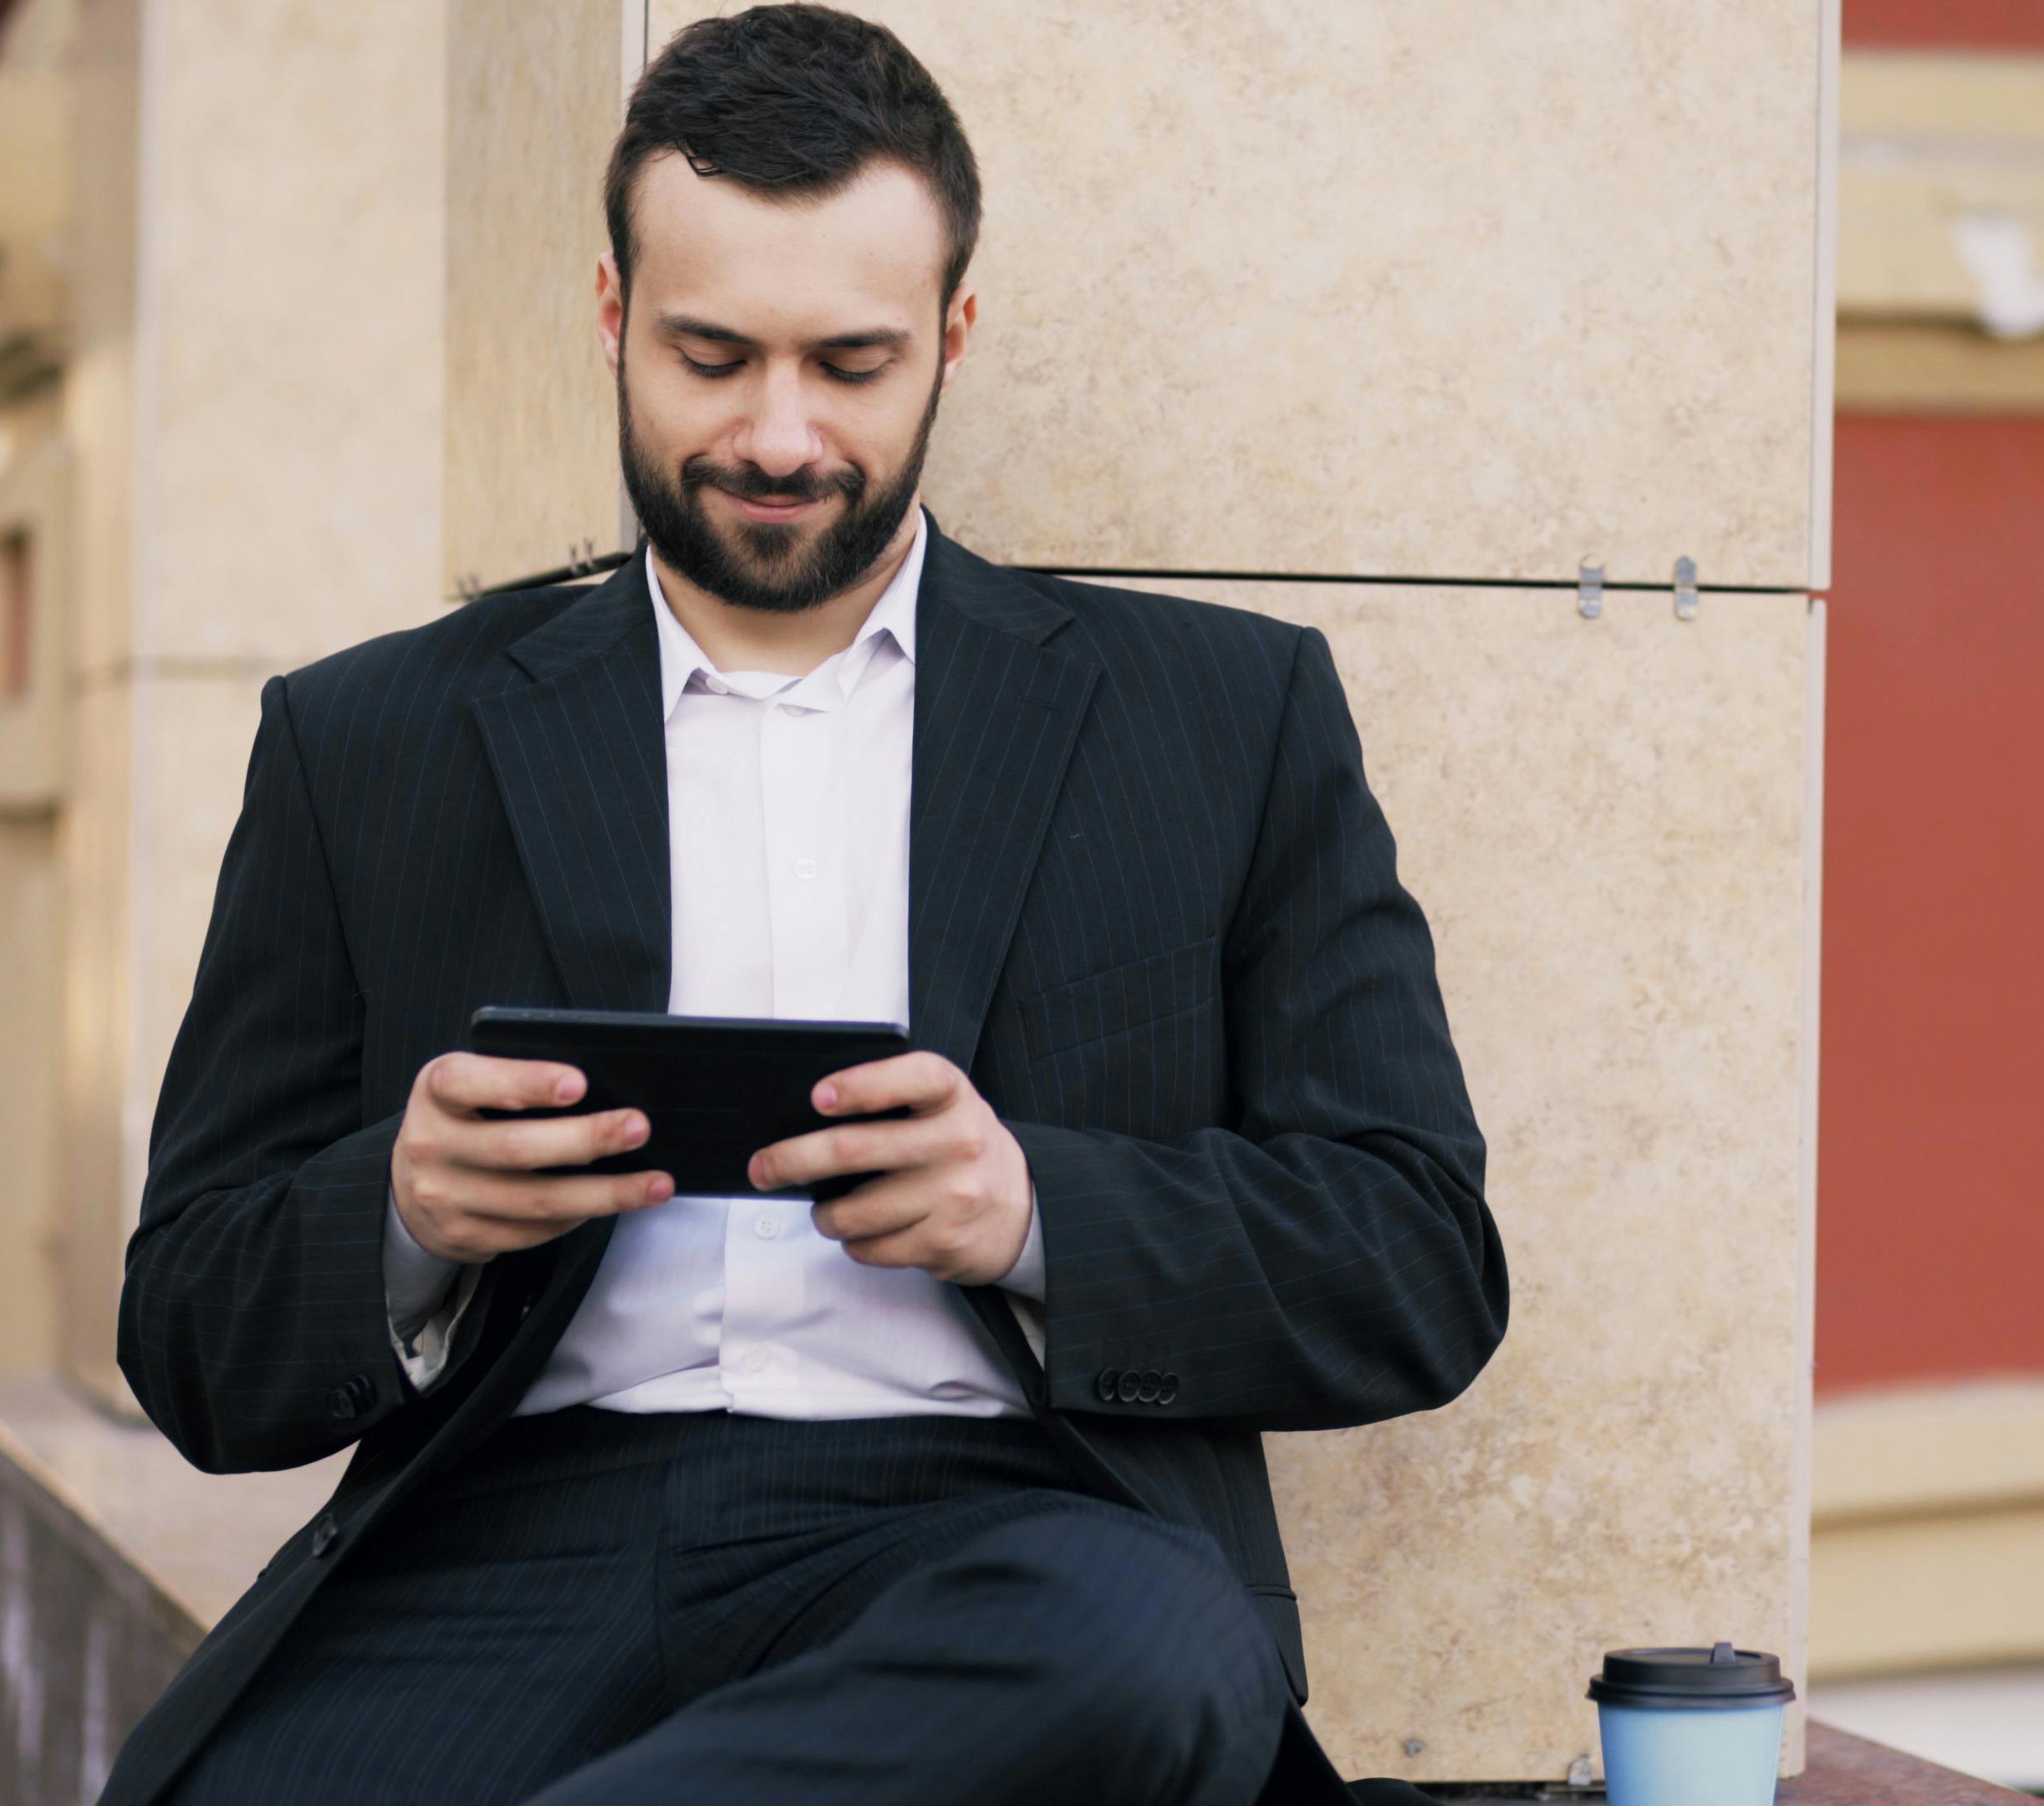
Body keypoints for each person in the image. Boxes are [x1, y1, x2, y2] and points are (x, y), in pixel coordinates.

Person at [95, 8, 1506, 1803]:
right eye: (712, 357)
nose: (779, 434)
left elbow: (1418, 1262)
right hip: (517, 1535)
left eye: (851, 362)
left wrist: (1030, 1210)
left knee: (1149, 1654)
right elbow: (189, 1332)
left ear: (954, 339)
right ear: (612, 318)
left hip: (1010, 1538)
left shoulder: (1226, 719)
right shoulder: (367, 738)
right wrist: (405, 1213)